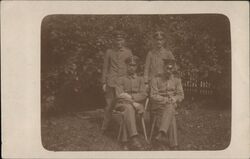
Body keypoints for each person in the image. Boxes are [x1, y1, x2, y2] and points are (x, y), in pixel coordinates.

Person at [101, 31, 133, 132]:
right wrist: (104, 82)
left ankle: (125, 128)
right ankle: (105, 128)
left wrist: (129, 81)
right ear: (114, 40)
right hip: (111, 82)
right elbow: (105, 68)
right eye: (117, 40)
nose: (119, 42)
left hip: (122, 84)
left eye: (121, 40)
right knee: (109, 105)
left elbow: (130, 68)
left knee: (124, 104)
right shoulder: (109, 52)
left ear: (124, 41)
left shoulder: (128, 52)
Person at [150, 59, 184, 150]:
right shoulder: (156, 79)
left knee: (170, 108)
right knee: (171, 112)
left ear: (173, 69)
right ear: (163, 68)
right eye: (167, 68)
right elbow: (153, 95)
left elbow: (181, 94)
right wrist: (165, 100)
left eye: (171, 68)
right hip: (158, 105)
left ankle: (161, 133)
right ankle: (174, 145)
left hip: (171, 104)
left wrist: (174, 98)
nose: (169, 70)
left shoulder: (177, 80)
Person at [115, 55, 147, 150]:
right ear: (126, 66)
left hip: (135, 105)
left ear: (136, 67)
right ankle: (134, 138)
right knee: (129, 108)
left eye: (133, 65)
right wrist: (133, 103)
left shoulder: (140, 79)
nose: (131, 67)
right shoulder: (120, 79)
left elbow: (144, 94)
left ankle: (125, 141)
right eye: (129, 65)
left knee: (128, 111)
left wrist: (132, 99)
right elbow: (120, 95)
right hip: (122, 104)